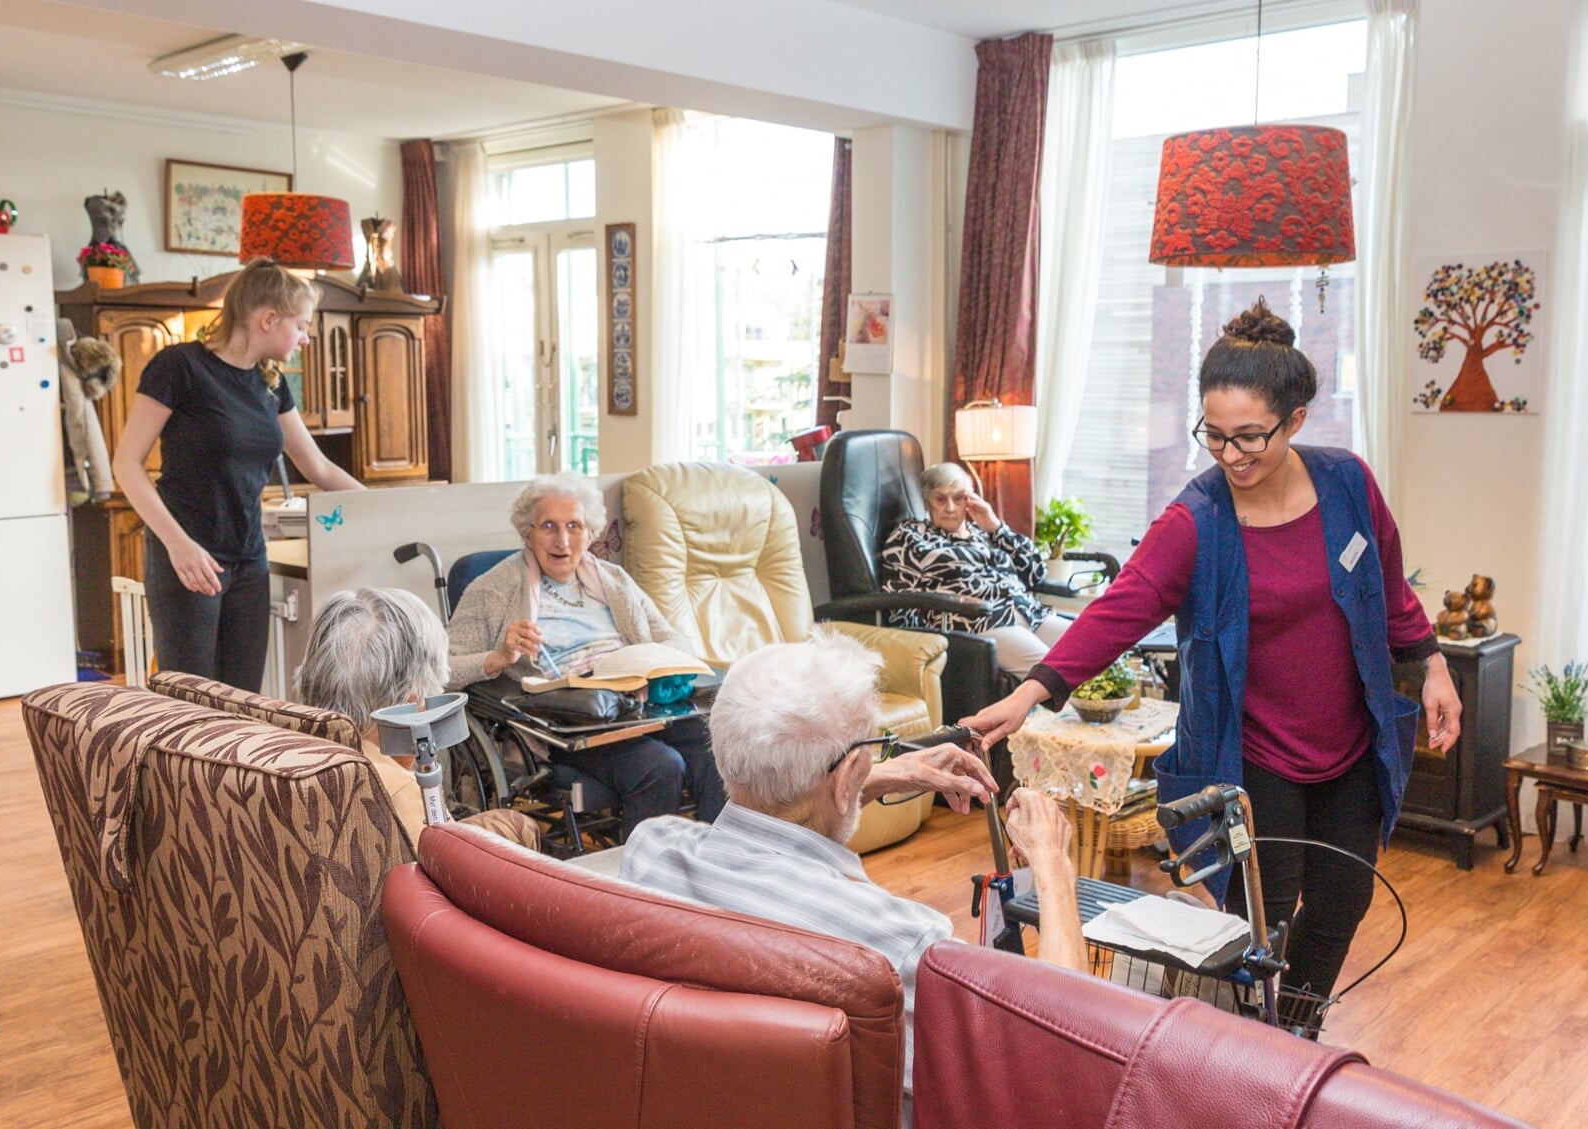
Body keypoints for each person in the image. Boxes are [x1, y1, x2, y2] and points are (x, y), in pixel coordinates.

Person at [965, 298, 1461, 1005]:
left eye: (1250, 437)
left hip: (1350, 741)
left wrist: (1433, 663)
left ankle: (1296, 1030)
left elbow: (1386, 587)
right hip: (1252, 755)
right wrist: (1027, 692)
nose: (1230, 455)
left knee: (1344, 902)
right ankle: (1250, 1053)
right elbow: (1120, 609)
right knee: (1264, 921)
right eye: (1215, 436)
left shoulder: (1347, 484)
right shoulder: (1195, 520)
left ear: (1294, 420)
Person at [621, 630, 1083, 1097]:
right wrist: (1052, 866)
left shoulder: (651, 850)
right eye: (876, 751)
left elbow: (782, 809)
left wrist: (876, 775)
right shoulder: (902, 944)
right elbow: (1058, 1056)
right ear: (845, 779)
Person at [113, 259, 363, 691]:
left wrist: (393, 506)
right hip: (190, 558)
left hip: (250, 560)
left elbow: (317, 466)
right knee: (190, 704)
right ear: (268, 318)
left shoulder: (270, 384)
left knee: (243, 700)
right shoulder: (179, 367)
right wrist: (179, 545)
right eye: (301, 325)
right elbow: (126, 464)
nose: (306, 338)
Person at [446, 472, 726, 839]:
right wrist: (498, 657)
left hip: (639, 705)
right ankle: (638, 889)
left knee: (719, 745)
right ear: (526, 532)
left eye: (574, 526)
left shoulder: (615, 581)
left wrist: (651, 661)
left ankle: (718, 865)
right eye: (548, 526)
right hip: (571, 720)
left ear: (590, 533)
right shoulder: (491, 590)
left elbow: (673, 638)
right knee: (660, 766)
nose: (562, 540)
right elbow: (442, 670)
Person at [292, 586, 542, 855]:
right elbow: (445, 875)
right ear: (411, 702)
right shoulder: (397, 793)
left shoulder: (287, 746)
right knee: (520, 825)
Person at [879, 462, 1071, 678]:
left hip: (1028, 612)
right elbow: (899, 602)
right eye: (940, 499)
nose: (950, 507)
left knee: (1092, 651)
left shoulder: (983, 532)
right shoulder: (911, 536)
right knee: (1055, 673)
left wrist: (996, 527)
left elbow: (1037, 573)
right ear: (926, 502)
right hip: (980, 621)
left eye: (958, 498)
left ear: (969, 500)